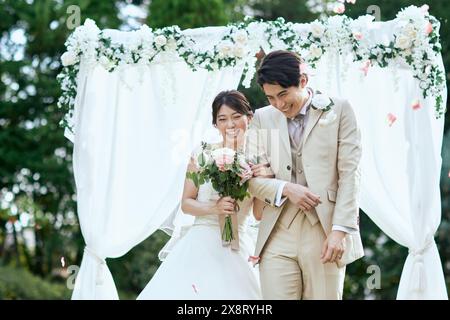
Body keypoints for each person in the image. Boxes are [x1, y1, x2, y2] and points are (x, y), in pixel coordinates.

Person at [246, 50, 365, 300]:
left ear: (303, 81)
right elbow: (252, 179)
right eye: (270, 98)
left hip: (324, 231)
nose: (278, 104)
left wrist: (340, 231)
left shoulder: (340, 110)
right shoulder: (261, 118)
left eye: (283, 95)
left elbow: (350, 174)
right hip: (277, 232)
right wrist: (286, 189)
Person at [137, 90, 270, 300]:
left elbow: (259, 213)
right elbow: (186, 203)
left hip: (238, 243)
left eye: (237, 116)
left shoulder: (260, 160)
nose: (231, 124)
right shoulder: (202, 153)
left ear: (249, 118)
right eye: (222, 119)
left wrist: (266, 181)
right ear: (215, 124)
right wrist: (215, 208)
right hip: (201, 242)